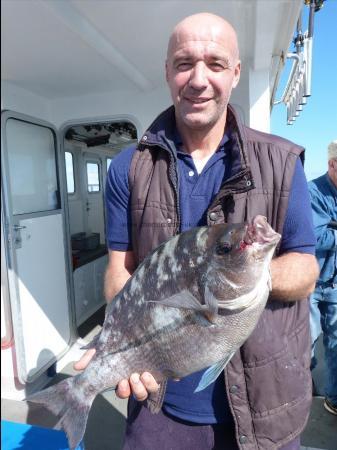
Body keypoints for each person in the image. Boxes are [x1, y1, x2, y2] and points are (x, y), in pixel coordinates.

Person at [75, 13, 319, 450]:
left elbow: (305, 267)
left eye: (216, 63)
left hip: (267, 409)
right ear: (167, 71)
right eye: (185, 63)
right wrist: (123, 342)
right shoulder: (126, 168)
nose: (199, 79)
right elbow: (119, 271)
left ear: (236, 73)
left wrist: (246, 276)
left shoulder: (283, 163)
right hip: (159, 402)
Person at [308, 140, 337, 416]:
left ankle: (335, 399)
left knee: (336, 343)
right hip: (312, 285)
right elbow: (313, 237)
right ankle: (300, 396)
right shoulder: (311, 191)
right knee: (306, 343)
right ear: (331, 164)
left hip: (336, 286)